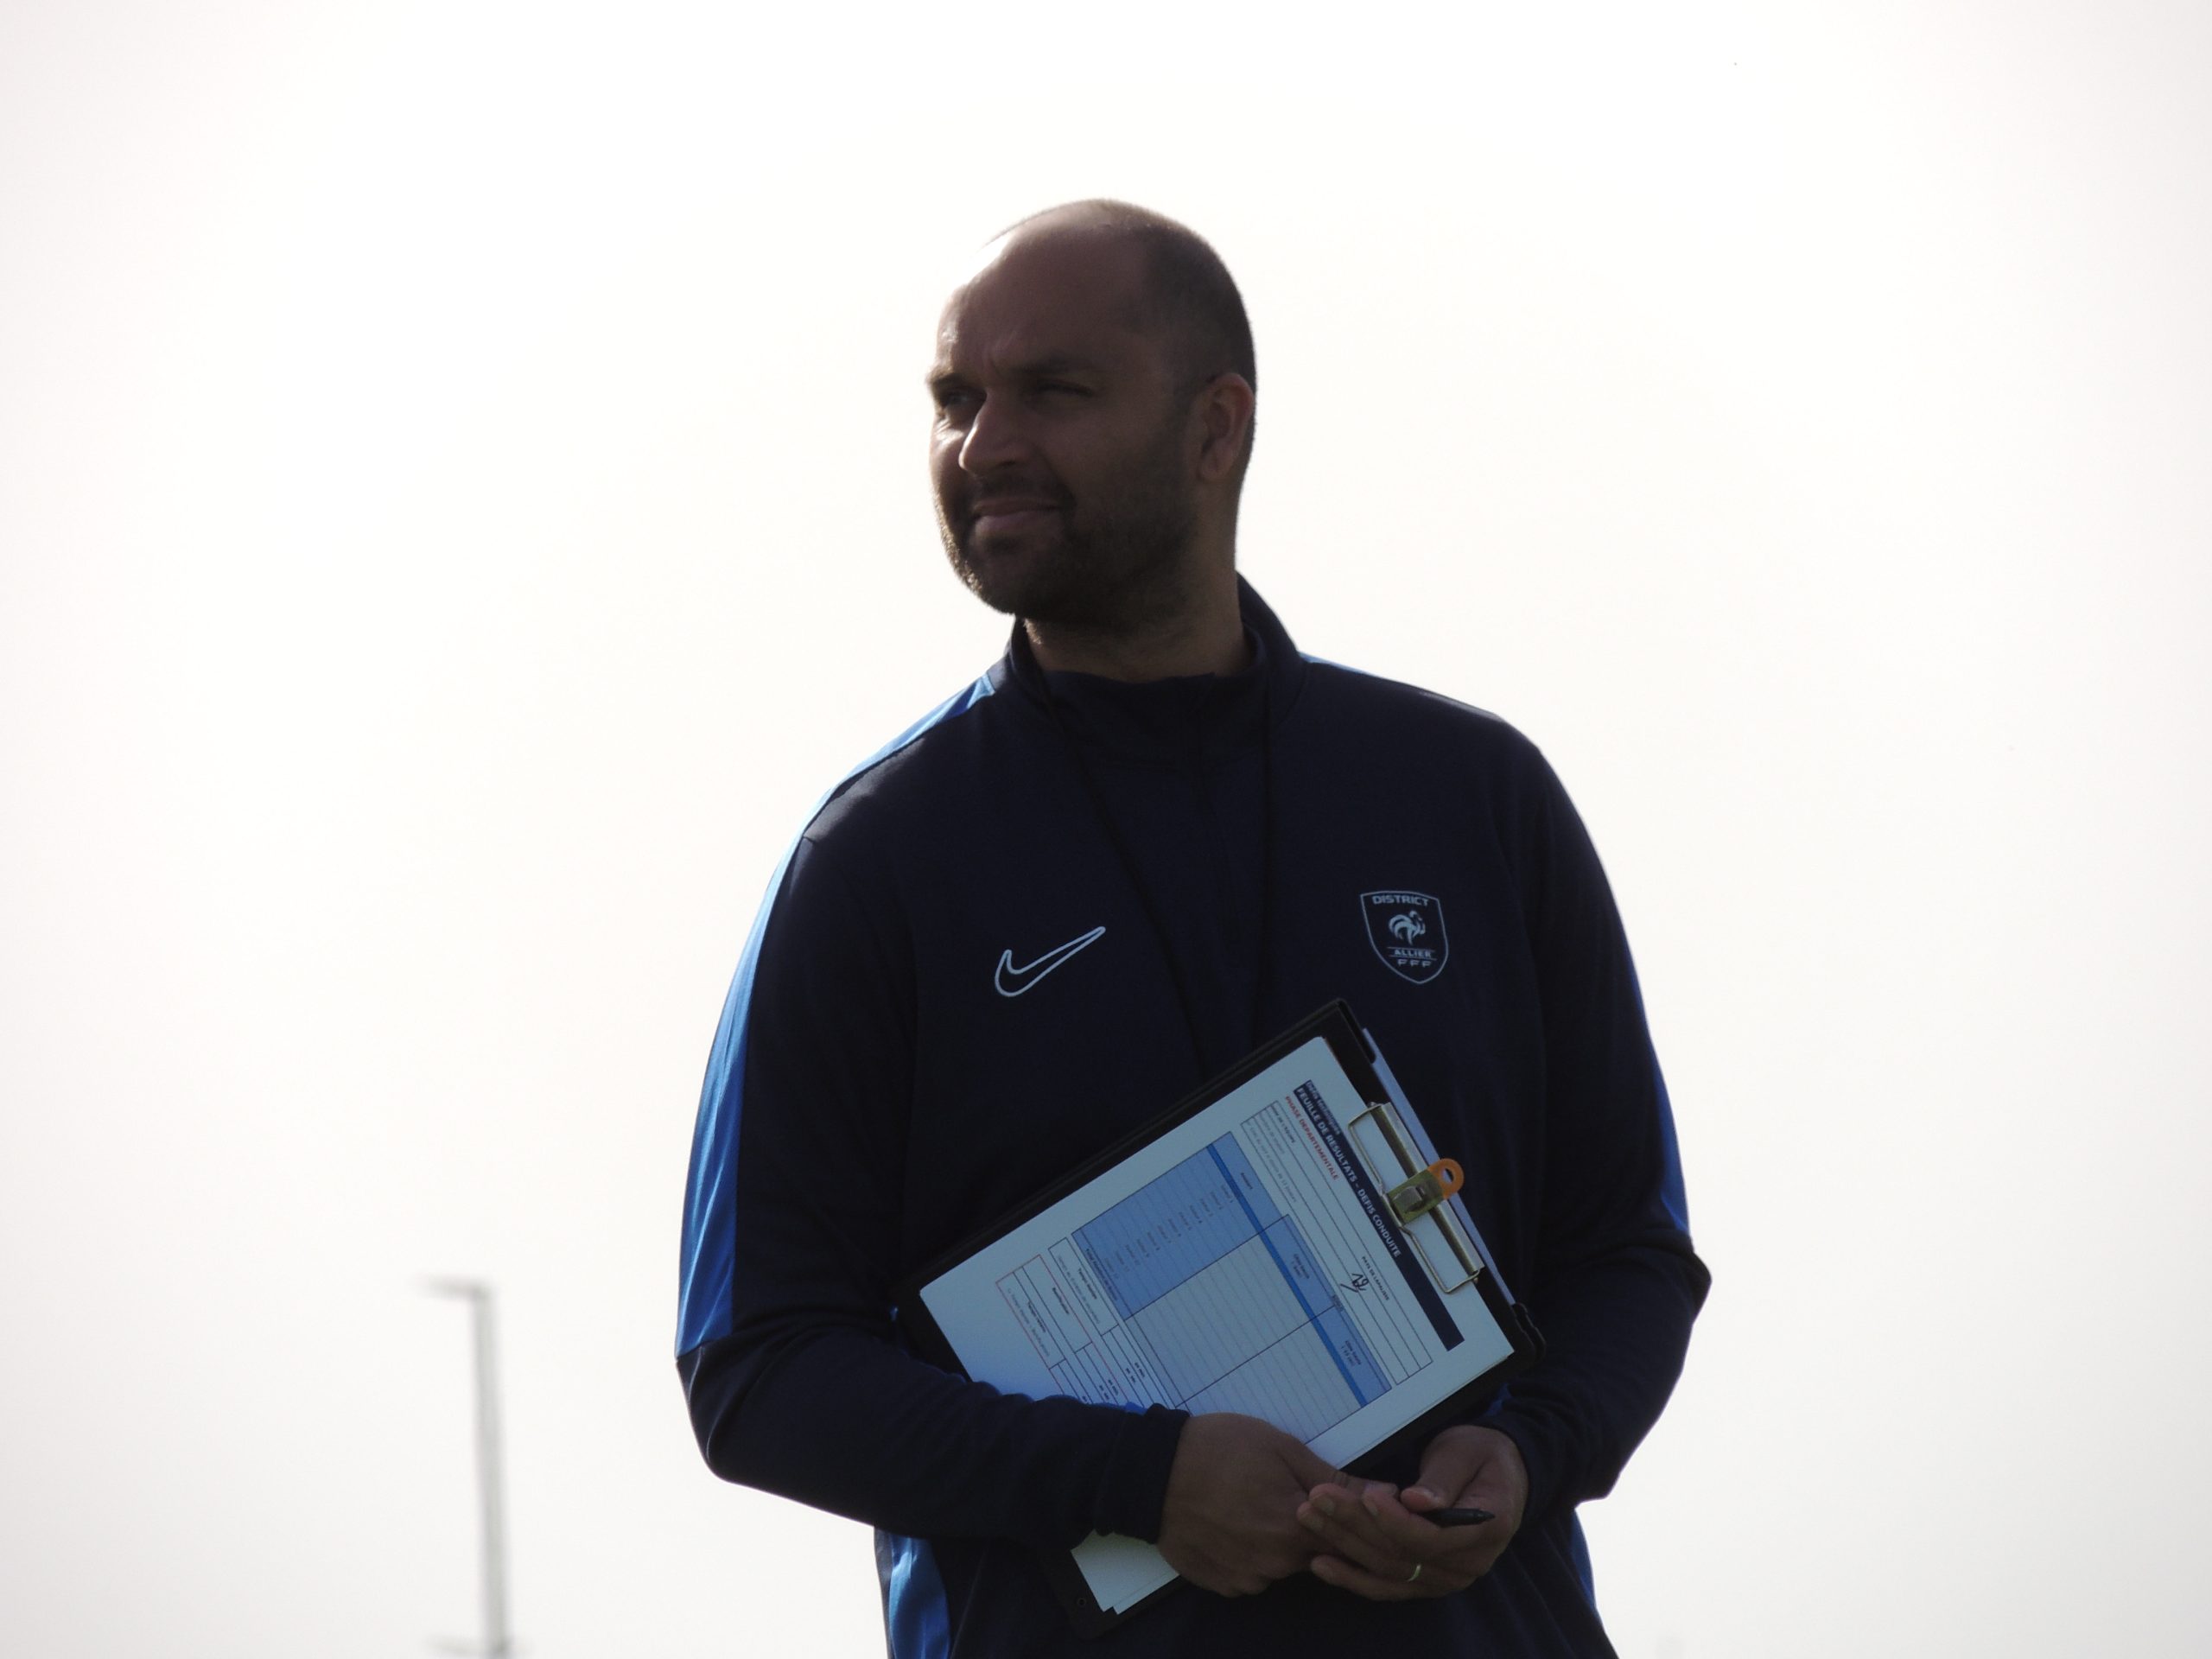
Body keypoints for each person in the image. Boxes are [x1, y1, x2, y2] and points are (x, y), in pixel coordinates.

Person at [677, 200, 1709, 1656]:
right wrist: (1139, 1481)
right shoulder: (878, 861)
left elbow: (1629, 1252)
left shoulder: (1469, 797)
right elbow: (758, 1369)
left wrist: (1533, 1447)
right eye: (956, 401)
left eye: (1056, 391)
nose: (984, 446)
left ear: (1217, 428)